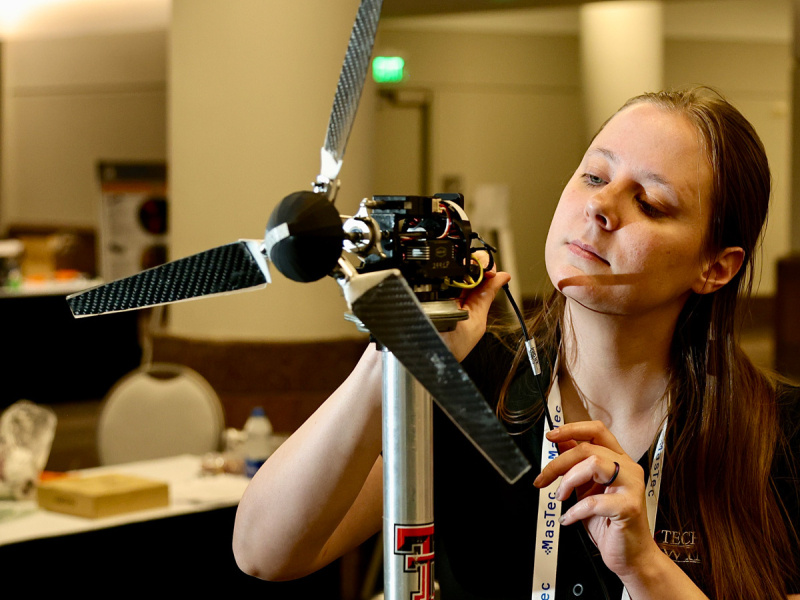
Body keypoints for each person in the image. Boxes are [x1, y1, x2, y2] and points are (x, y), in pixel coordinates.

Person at [232, 87, 800, 599]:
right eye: (594, 177)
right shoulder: (468, 382)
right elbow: (264, 553)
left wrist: (647, 569)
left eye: (649, 203)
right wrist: (399, 357)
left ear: (716, 268)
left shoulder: (776, 431)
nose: (601, 208)